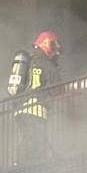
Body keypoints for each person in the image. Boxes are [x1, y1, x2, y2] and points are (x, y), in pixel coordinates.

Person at [8, 30, 62, 165]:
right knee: (34, 140)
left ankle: (19, 163)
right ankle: (26, 167)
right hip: (36, 110)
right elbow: (59, 89)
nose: (55, 50)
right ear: (46, 43)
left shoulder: (29, 62)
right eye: (53, 45)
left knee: (30, 138)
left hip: (20, 110)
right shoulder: (47, 65)